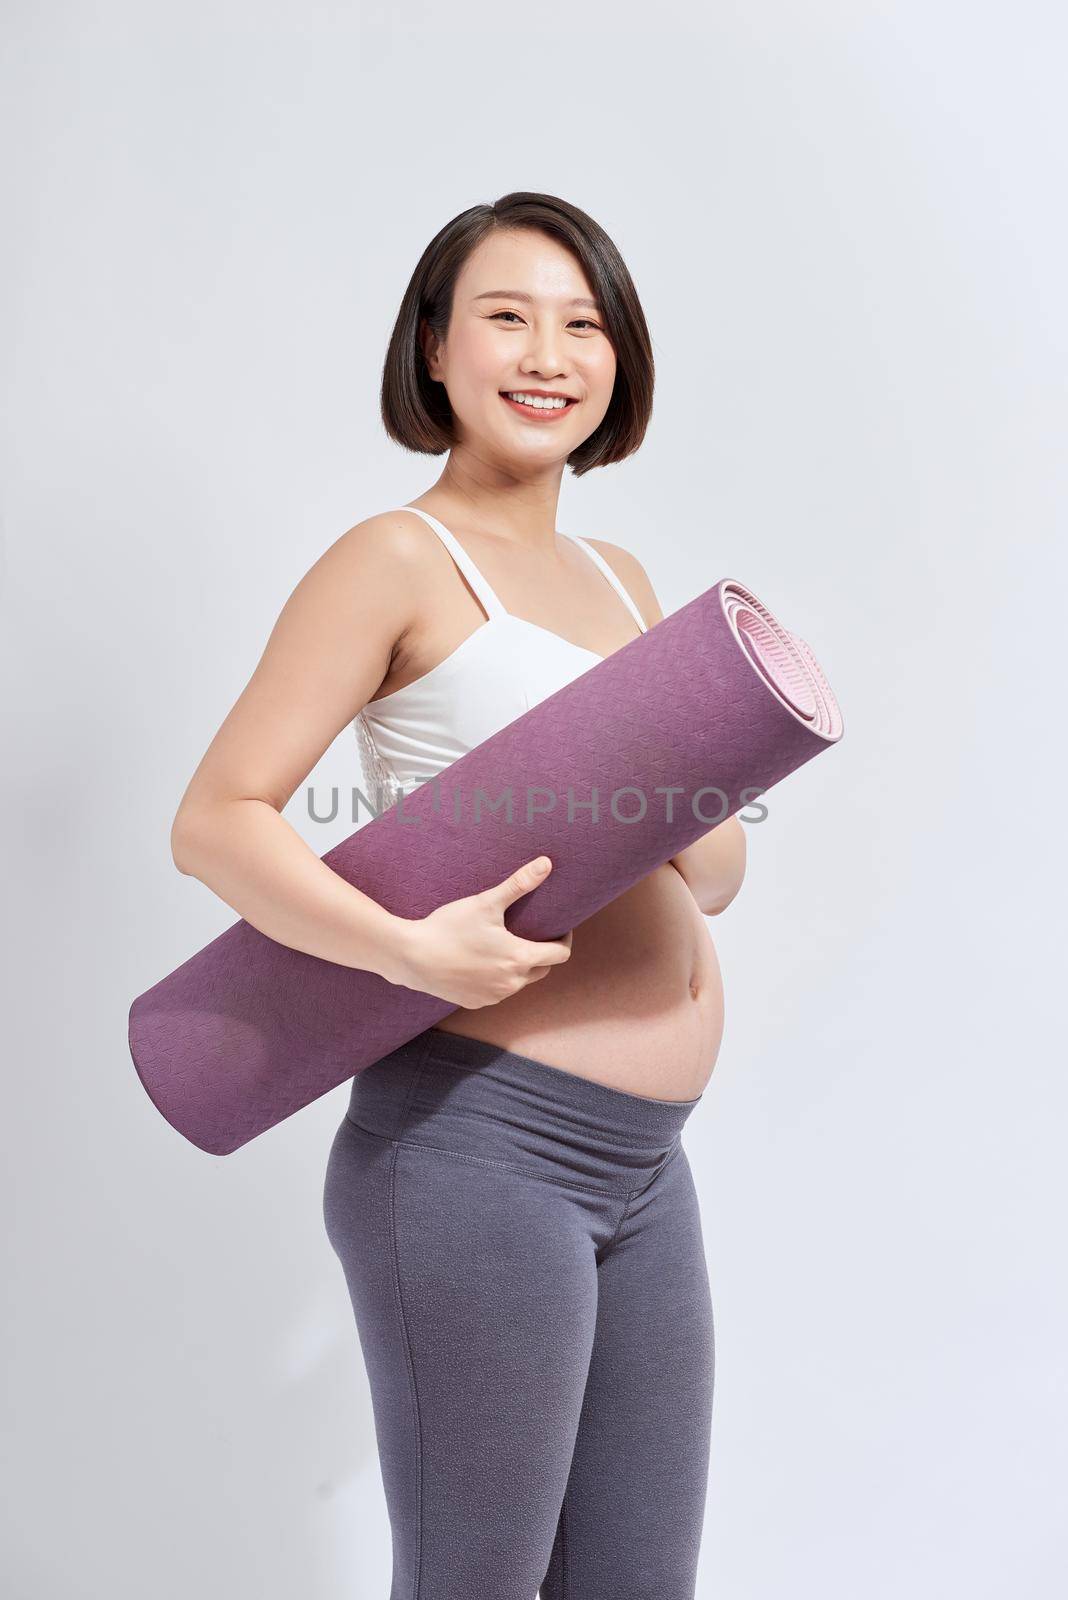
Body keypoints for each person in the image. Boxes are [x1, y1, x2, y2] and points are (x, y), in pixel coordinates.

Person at [170, 191, 747, 1599]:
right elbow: (216, 820)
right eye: (507, 316)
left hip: (645, 1170)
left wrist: (701, 766)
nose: (548, 352)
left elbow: (716, 878)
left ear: (621, 360)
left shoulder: (622, 576)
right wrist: (405, 949)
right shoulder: (394, 558)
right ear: (435, 347)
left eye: (584, 322)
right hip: (479, 1156)